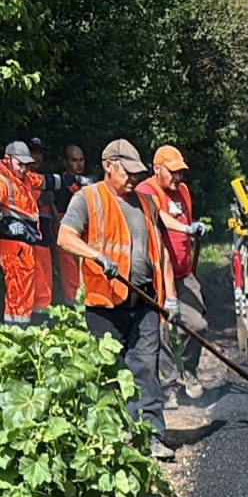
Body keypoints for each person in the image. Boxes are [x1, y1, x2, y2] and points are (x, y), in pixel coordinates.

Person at [58, 139, 180, 461]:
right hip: (105, 305)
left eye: (137, 173)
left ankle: (152, 436)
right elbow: (64, 236)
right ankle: (112, 439)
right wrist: (95, 256)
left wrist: (170, 298)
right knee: (109, 372)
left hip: (144, 303)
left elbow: (161, 252)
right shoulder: (88, 198)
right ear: (108, 165)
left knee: (145, 370)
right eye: (128, 172)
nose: (134, 179)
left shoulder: (146, 203)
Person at [0, 141, 89, 327]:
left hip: (28, 244)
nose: (24, 169)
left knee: (34, 290)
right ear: (8, 159)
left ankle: (33, 331)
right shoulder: (1, 180)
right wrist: (5, 227)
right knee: (18, 295)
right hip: (13, 245)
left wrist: (75, 179)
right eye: (20, 164)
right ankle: (15, 335)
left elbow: (50, 181)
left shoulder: (24, 178)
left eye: (26, 164)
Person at [136, 145, 209, 401]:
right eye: (173, 171)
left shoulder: (183, 192)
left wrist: (193, 230)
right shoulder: (146, 191)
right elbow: (159, 219)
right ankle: (168, 386)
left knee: (197, 324)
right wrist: (185, 229)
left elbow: (186, 220)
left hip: (183, 272)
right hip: (157, 276)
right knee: (163, 327)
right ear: (157, 169)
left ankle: (188, 371)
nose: (178, 177)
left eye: (181, 172)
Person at [26, 138, 58, 320]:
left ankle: (43, 319)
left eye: (40, 152)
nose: (37, 157)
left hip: (45, 239)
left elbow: (51, 208)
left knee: (45, 283)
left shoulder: (41, 180)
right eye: (34, 152)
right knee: (37, 285)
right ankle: (37, 322)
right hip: (32, 241)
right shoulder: (23, 180)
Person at [53, 144, 86, 304]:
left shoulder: (87, 186)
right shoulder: (60, 185)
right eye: (74, 160)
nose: (78, 164)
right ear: (65, 162)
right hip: (66, 241)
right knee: (71, 285)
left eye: (81, 160)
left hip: (86, 241)